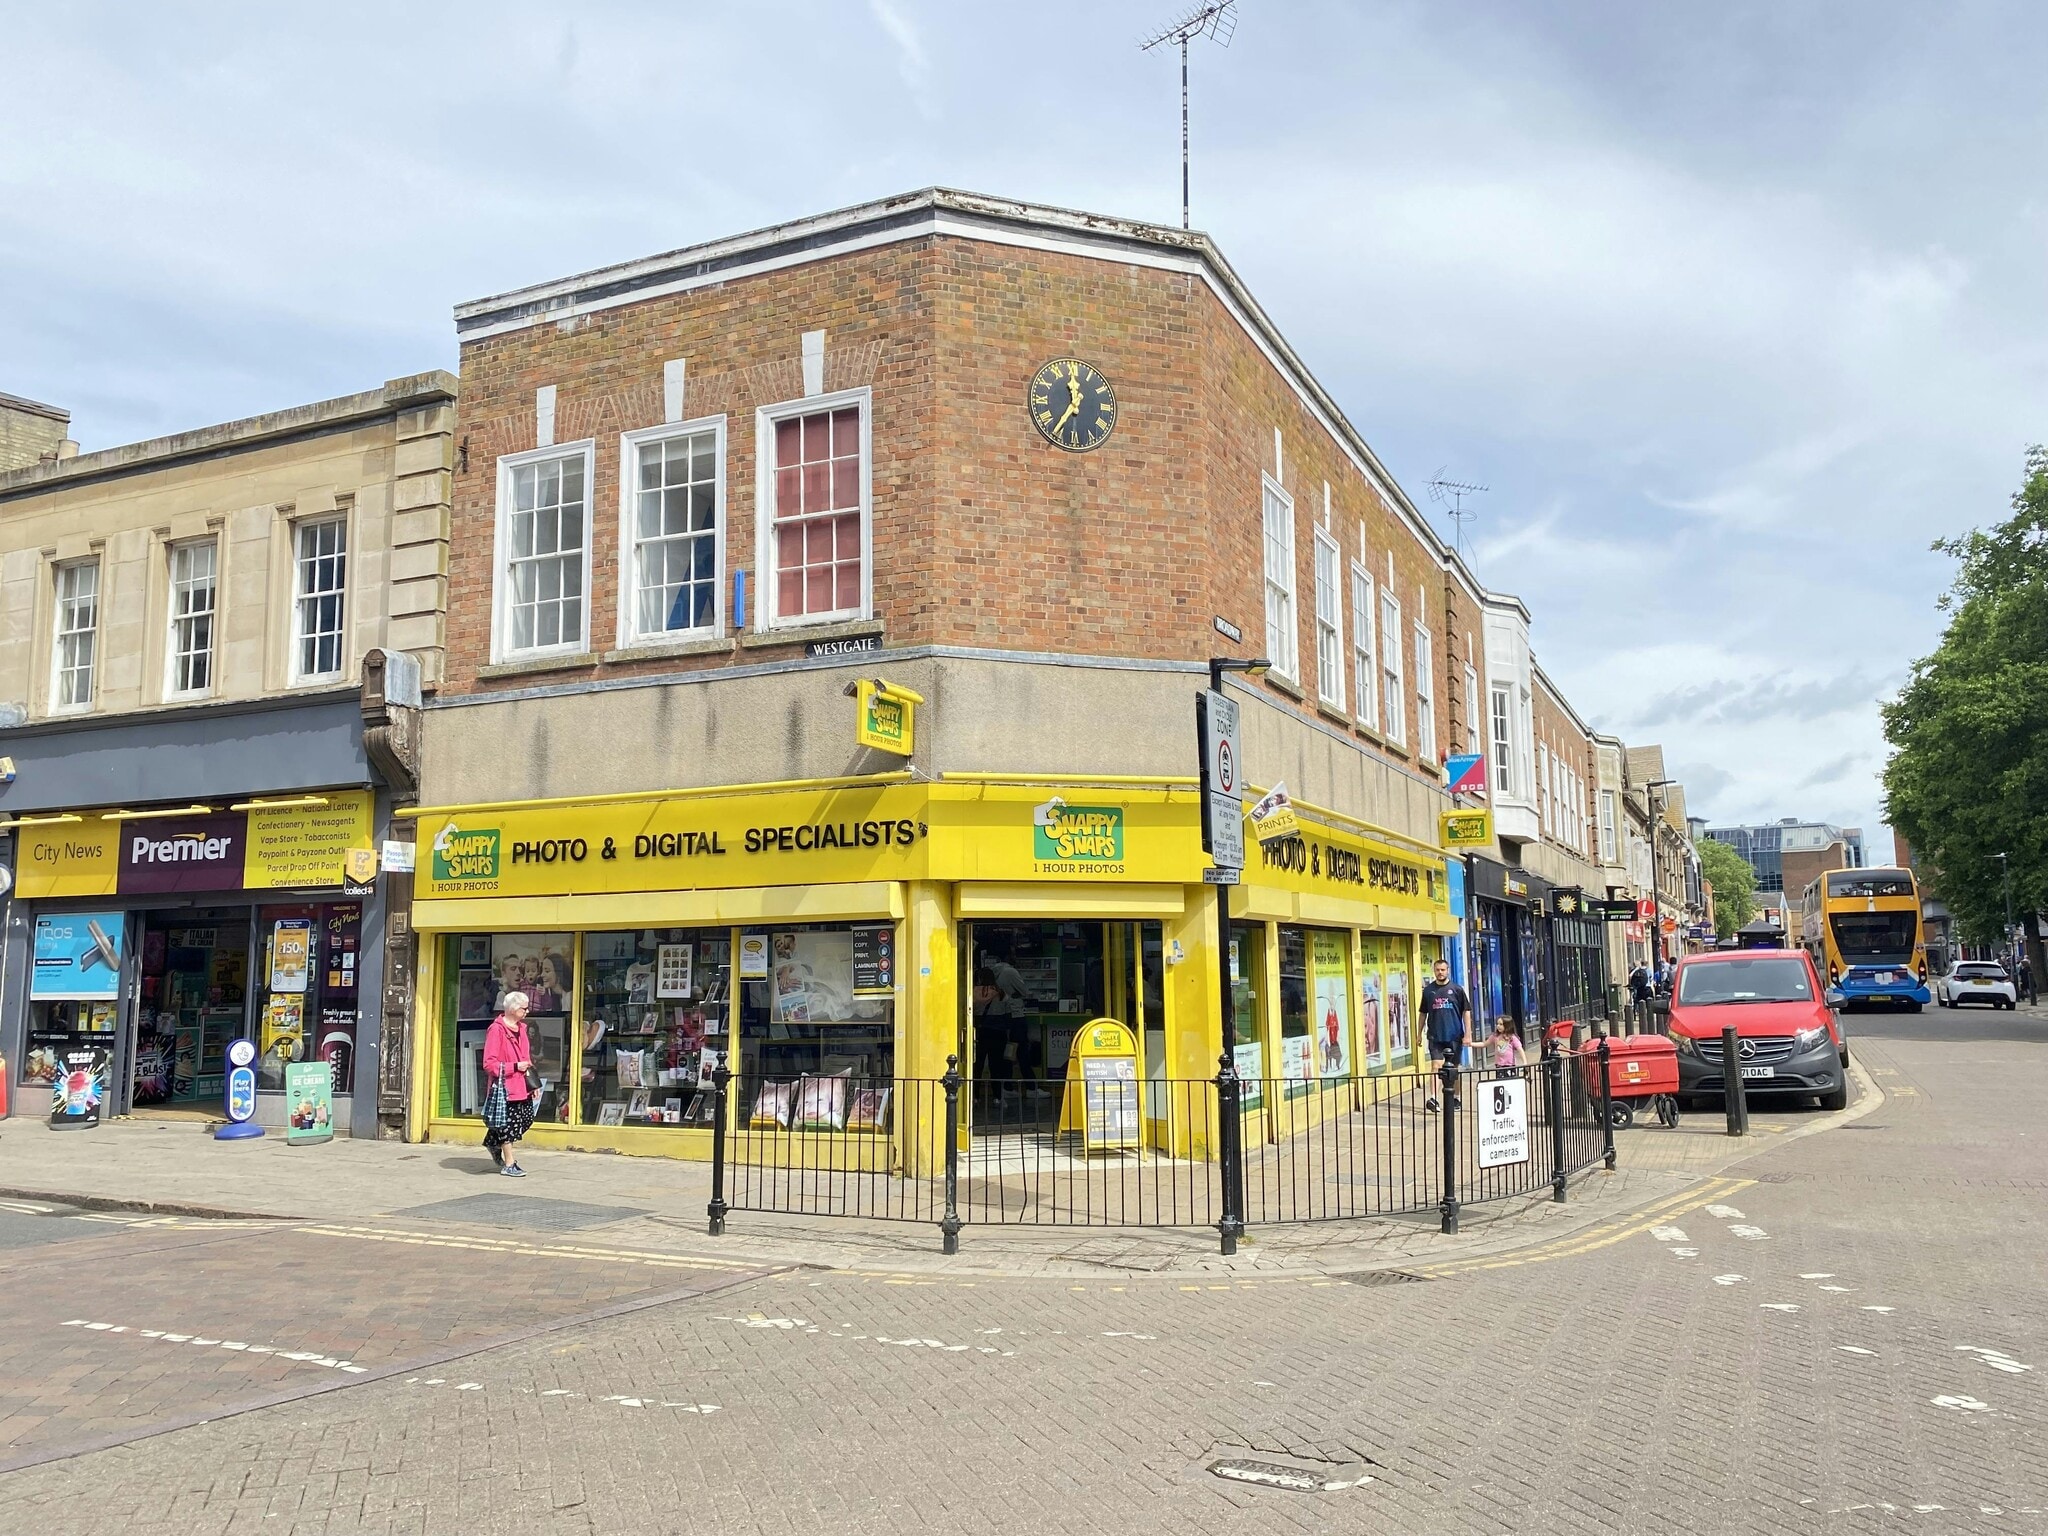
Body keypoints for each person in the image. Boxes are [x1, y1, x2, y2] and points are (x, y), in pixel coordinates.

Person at [482, 990, 536, 1176]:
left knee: (526, 1119)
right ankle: (509, 1163)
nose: (527, 1011)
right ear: (513, 1009)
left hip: (523, 1084)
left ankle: (492, 1140)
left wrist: (533, 1083)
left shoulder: (522, 1029)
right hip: (505, 1087)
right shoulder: (496, 1030)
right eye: (524, 1008)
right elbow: (489, 1064)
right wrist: (514, 1067)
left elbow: (526, 1058)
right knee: (509, 1125)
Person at [1419, 958, 1472, 1114]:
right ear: (1434, 971)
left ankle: (1456, 1097)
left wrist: (1467, 1034)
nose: (1440, 973)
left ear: (1447, 970)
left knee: (1454, 1068)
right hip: (1435, 1036)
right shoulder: (1428, 991)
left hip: (1454, 1035)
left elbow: (1466, 1012)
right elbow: (1423, 1013)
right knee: (1436, 1066)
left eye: (1443, 970)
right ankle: (1433, 1098)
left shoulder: (1457, 989)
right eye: (1437, 970)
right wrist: (1418, 1034)